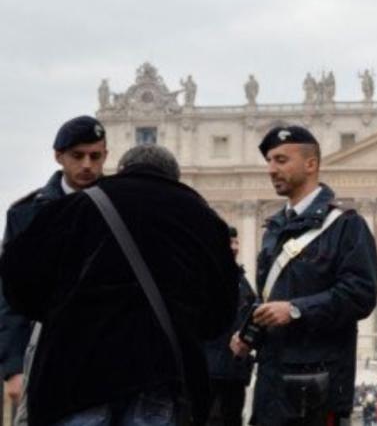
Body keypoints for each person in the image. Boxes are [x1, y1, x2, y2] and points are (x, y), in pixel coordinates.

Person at [0, 144, 239, 426]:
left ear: (122, 170)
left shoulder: (78, 205)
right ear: (174, 178)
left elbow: (16, 278)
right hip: (159, 371)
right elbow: (222, 311)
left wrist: (59, 315)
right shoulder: (206, 220)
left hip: (77, 371)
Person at [230, 125, 377, 426]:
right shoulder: (274, 229)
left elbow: (360, 295)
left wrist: (296, 310)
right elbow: (270, 297)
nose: (271, 169)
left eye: (281, 160)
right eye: (270, 161)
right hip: (272, 381)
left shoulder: (346, 226)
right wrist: (249, 333)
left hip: (316, 386)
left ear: (311, 165)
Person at [0, 115, 108, 423]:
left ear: (105, 157)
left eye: (95, 156)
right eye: (78, 156)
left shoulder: (121, 206)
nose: (87, 164)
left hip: (105, 351)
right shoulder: (25, 214)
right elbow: (10, 295)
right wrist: (13, 367)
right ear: (58, 156)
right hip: (45, 350)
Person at [204, 226, 257, 426]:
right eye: (229, 242)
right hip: (211, 370)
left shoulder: (240, 279)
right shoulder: (205, 275)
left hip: (234, 371)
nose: (234, 247)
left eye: (236, 242)